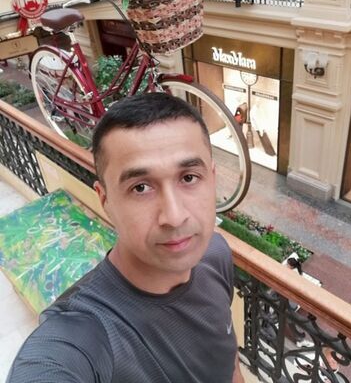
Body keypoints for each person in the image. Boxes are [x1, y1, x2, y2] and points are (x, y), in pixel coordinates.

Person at [7, 93, 245, 382]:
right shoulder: (83, 334)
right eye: (140, 187)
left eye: (188, 178)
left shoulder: (215, 253)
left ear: (212, 178)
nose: (174, 216)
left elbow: (228, 358)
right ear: (105, 199)